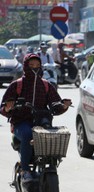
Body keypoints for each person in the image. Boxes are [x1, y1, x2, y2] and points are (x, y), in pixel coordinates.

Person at [0, 54, 72, 183]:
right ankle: (25, 170)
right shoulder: (16, 85)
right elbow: (3, 108)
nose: (35, 68)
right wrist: (7, 108)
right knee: (28, 134)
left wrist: (64, 105)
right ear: (25, 66)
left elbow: (55, 105)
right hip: (20, 123)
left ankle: (50, 166)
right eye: (31, 65)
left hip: (41, 122)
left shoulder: (46, 85)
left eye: (38, 66)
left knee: (54, 135)